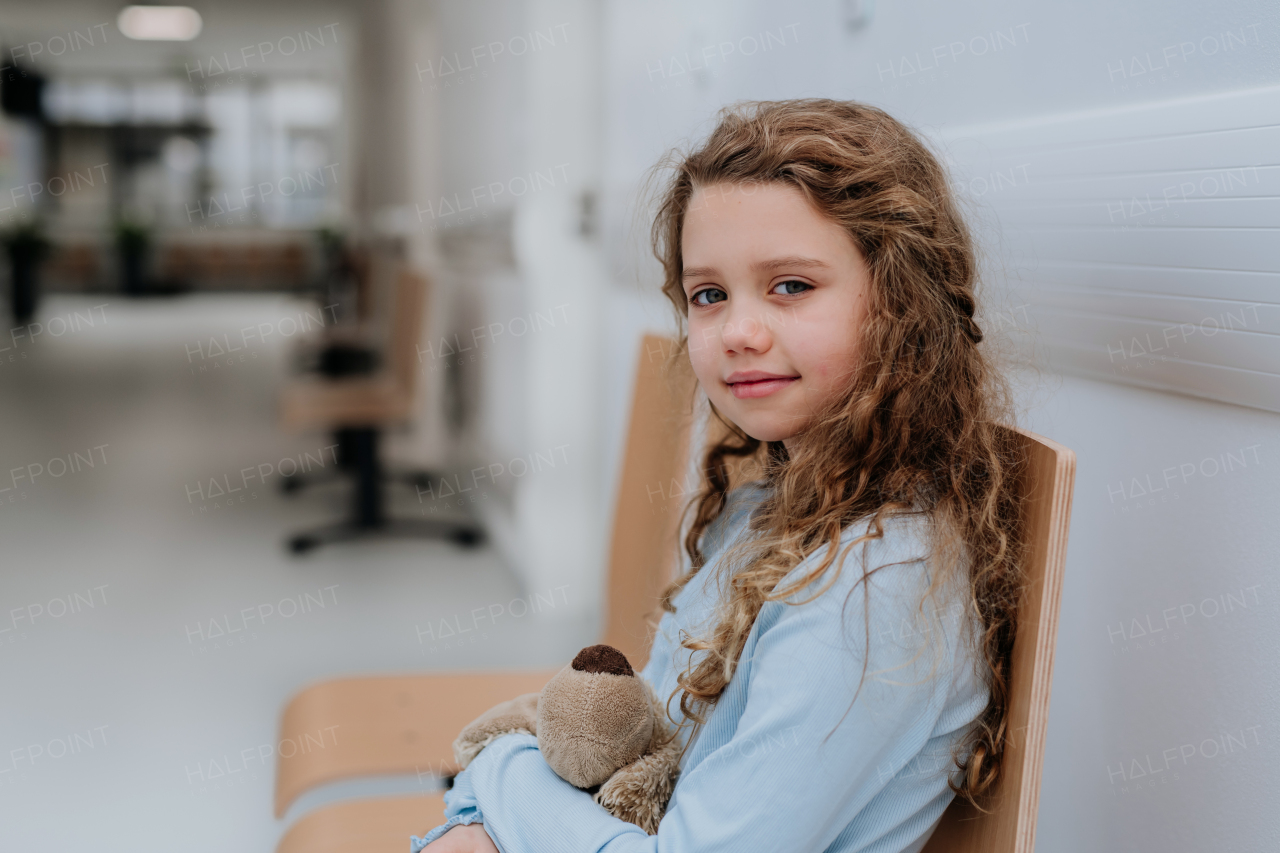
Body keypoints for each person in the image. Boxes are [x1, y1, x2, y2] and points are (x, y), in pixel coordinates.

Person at [415, 98, 1025, 853]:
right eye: (709, 294)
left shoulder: (872, 593)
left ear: (902, 304)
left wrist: (497, 775)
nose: (738, 330)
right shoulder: (775, 501)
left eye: (791, 286)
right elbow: (652, 737)